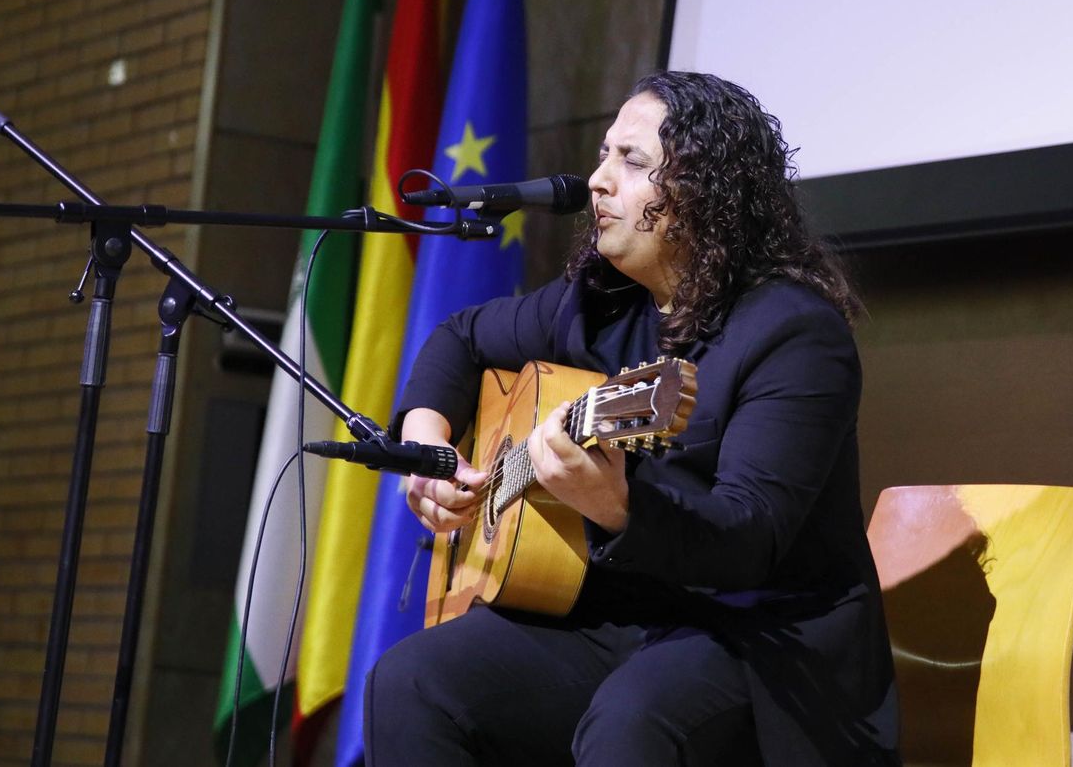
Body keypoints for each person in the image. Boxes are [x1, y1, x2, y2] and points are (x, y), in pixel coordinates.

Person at [364, 71, 899, 766]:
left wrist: (617, 506)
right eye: (603, 155)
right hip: (622, 620)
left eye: (632, 160)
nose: (598, 180)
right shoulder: (601, 305)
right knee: (410, 683)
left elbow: (751, 537)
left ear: (704, 194)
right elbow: (460, 338)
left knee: (632, 720)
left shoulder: (793, 335)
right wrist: (430, 447)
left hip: (763, 640)